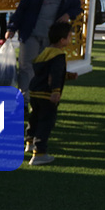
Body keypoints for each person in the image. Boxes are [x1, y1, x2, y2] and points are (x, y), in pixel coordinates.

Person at [7, 0, 82, 94]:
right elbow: (22, 8)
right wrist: (12, 28)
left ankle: (40, 97)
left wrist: (67, 15)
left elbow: (77, 7)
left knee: (45, 68)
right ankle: (24, 98)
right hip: (31, 33)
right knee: (26, 66)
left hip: (51, 38)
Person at [26, 20, 76, 166]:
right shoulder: (59, 55)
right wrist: (55, 91)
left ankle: (30, 142)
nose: (71, 39)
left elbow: (45, 71)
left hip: (35, 91)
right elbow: (55, 74)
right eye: (70, 36)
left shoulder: (46, 52)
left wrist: (67, 75)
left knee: (34, 118)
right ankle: (39, 153)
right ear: (62, 40)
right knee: (46, 122)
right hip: (47, 94)